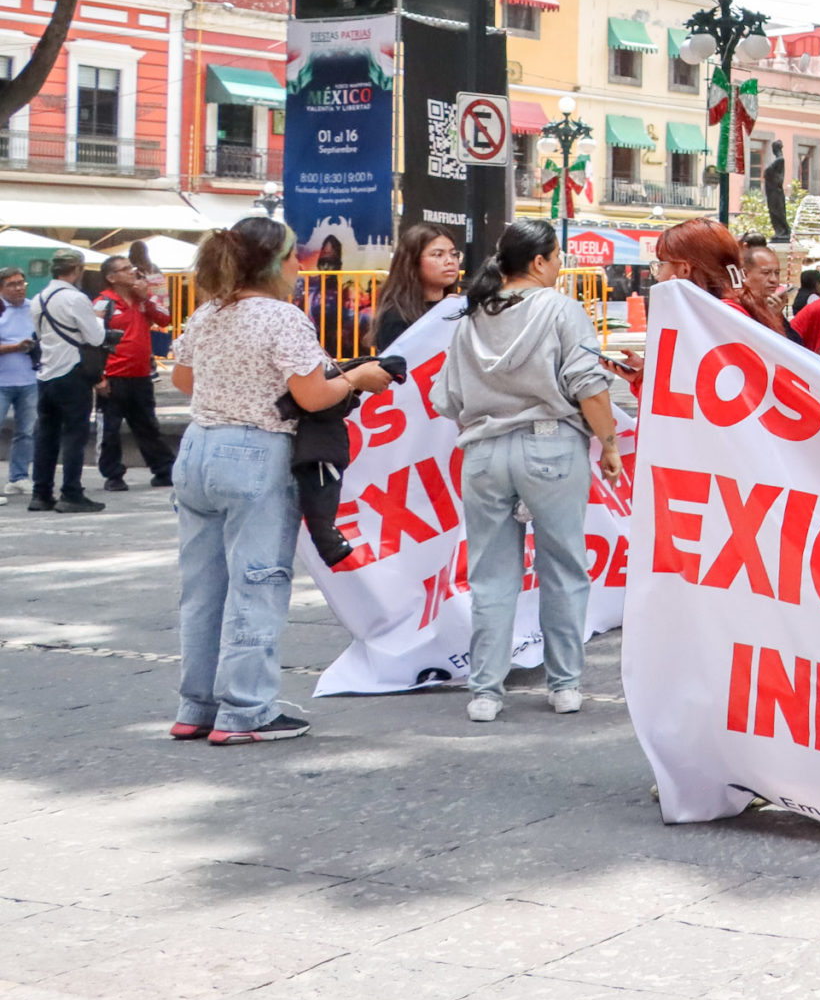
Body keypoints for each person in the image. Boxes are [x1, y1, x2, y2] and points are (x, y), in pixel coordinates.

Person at [168, 217, 393, 743]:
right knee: (258, 582)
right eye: (295, 253)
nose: (301, 262)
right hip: (255, 450)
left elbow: (182, 378)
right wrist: (358, 377)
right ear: (271, 262)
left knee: (202, 589)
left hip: (198, 448)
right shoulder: (282, 318)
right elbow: (315, 397)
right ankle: (247, 709)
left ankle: (196, 706)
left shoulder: (210, 312)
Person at [434, 218, 623, 725]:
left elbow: (446, 397)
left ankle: (485, 693)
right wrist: (609, 445)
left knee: (491, 577)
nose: (561, 266)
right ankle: (564, 685)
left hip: (484, 453)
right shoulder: (562, 310)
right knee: (563, 568)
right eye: (557, 257)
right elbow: (589, 384)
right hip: (552, 447)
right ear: (539, 262)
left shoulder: (471, 316)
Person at [29, 249, 107, 513]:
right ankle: (71, 493)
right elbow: (95, 338)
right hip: (72, 370)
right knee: (75, 434)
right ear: (77, 270)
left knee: (46, 435)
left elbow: (40, 335)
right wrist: (99, 321)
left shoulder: (37, 299)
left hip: (45, 373)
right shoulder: (76, 298)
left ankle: (40, 493)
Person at [91, 254, 174, 491]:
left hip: (140, 375)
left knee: (147, 424)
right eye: (125, 269)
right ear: (111, 277)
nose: (132, 272)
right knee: (109, 428)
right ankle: (113, 474)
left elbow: (164, 319)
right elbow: (92, 339)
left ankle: (163, 469)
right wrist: (99, 376)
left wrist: (146, 297)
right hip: (114, 375)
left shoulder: (142, 300)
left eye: (131, 267)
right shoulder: (103, 303)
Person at [654, 219, 785, 333]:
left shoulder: (713, 319)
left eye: (661, 265)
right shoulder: (736, 311)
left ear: (684, 269)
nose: (657, 275)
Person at [371, 224, 463, 353]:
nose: (450, 261)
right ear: (412, 262)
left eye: (454, 254)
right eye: (438, 255)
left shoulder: (457, 307)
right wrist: (440, 317)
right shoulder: (395, 316)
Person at [0, 269, 37, 494]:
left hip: (29, 380)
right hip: (2, 381)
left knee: (27, 431)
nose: (19, 288)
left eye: (22, 283)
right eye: (12, 284)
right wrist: (15, 347)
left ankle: (19, 477)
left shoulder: (33, 308)